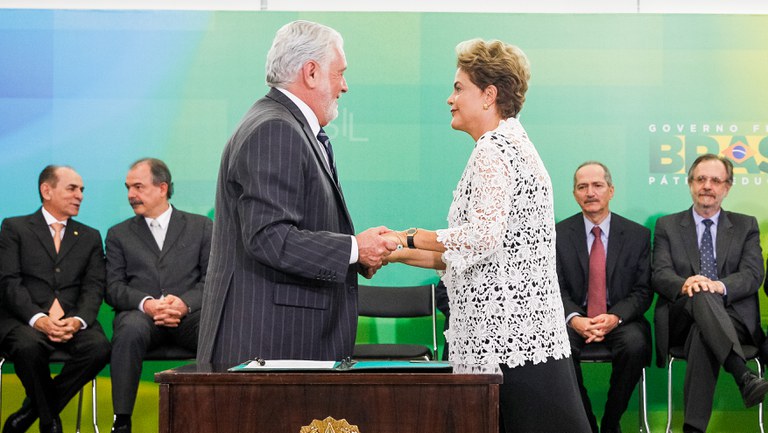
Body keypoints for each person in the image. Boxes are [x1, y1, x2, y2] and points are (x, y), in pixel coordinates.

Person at [383, 38, 590, 433]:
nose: (450, 98)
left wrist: (408, 236)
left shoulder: (493, 149)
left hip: (506, 343)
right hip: (518, 338)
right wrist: (393, 250)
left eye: (459, 88)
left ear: (489, 95)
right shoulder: (513, 143)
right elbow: (472, 255)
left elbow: (480, 237)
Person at [196, 20, 397, 366]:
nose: (345, 86)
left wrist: (357, 256)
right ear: (311, 72)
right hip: (270, 345)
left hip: (279, 342)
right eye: (340, 73)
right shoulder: (275, 129)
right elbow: (269, 237)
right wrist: (353, 248)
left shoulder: (284, 125)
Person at [652, 153, 768, 433]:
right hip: (682, 315)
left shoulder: (746, 226)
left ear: (727, 187)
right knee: (701, 292)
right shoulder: (667, 225)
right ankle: (742, 375)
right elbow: (660, 273)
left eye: (715, 180)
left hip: (734, 319)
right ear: (690, 183)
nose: (707, 186)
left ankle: (693, 429)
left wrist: (719, 286)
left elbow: (753, 274)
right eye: (701, 179)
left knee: (703, 332)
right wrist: (687, 284)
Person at [0, 165, 111, 433]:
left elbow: (94, 287)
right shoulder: (15, 228)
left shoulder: (90, 236)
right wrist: (38, 319)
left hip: (72, 319)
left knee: (99, 348)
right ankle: (50, 422)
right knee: (27, 348)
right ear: (46, 190)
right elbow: (8, 281)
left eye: (82, 190)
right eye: (72, 188)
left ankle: (30, 413)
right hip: (25, 319)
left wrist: (78, 320)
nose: (80, 195)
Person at [104, 158, 212, 433]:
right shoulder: (118, 234)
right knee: (128, 328)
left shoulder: (201, 226)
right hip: (142, 318)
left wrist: (184, 304)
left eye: (138, 187)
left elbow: (212, 281)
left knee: (217, 327)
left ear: (162, 188)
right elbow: (113, 287)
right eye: (128, 188)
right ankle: (122, 421)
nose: (131, 194)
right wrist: (148, 304)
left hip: (188, 318)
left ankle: (216, 414)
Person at [556, 161, 653, 433]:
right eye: (582, 187)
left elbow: (643, 291)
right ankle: (586, 424)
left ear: (611, 190)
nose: (590, 192)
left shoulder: (637, 235)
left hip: (621, 318)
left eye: (597, 185)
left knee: (635, 344)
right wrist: (574, 319)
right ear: (574, 194)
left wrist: (615, 317)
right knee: (557, 347)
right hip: (575, 319)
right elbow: (554, 289)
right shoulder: (558, 235)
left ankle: (611, 422)